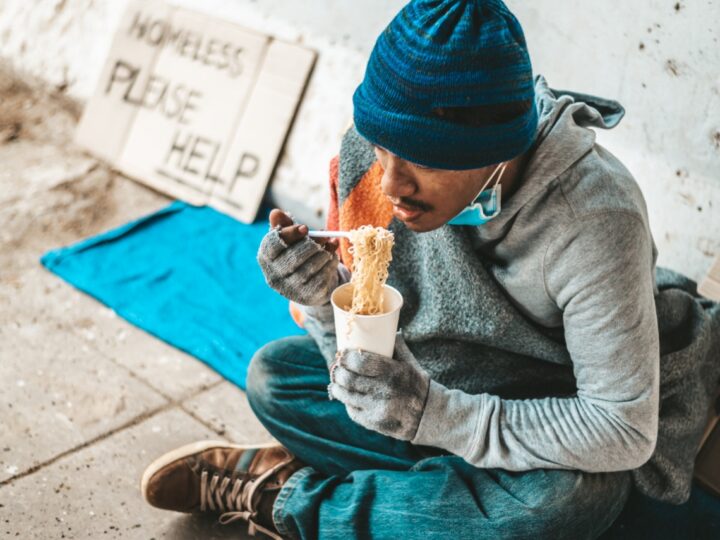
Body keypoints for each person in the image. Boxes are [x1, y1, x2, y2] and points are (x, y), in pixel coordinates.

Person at [139, 1, 720, 538]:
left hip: (555, 405)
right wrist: (323, 297)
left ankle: (290, 498)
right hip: (440, 381)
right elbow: (363, 342)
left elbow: (621, 429)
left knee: (564, 502)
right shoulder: (371, 159)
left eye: (422, 156)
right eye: (384, 148)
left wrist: (432, 415)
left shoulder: (593, 219)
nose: (392, 184)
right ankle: (431, 506)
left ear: (499, 147)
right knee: (274, 378)